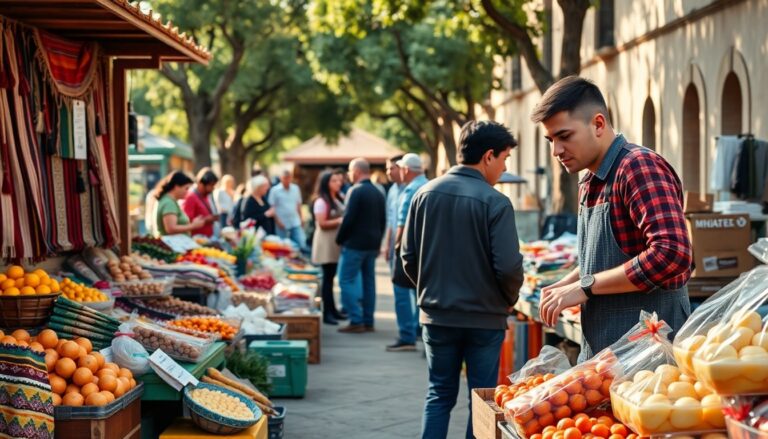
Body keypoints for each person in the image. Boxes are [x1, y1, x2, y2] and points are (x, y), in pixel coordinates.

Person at [532, 76, 692, 361]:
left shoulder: (638, 167)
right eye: (551, 140)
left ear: (598, 124)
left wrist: (585, 285)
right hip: (605, 357)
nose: (556, 151)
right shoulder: (589, 181)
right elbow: (605, 258)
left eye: (564, 136)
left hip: (650, 362)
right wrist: (568, 283)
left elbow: (672, 254)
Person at [401, 120, 524, 439]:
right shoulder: (496, 201)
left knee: (438, 394)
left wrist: (430, 289)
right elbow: (509, 268)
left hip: (437, 315)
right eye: (505, 158)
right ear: (488, 156)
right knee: (481, 400)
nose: (504, 166)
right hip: (484, 319)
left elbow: (407, 258)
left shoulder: (424, 194)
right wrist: (506, 301)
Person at [335, 158, 386, 333]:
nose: (349, 174)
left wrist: (339, 239)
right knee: (368, 283)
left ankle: (356, 320)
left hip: (355, 244)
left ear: (356, 171)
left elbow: (348, 219)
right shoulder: (378, 192)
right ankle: (368, 320)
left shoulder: (355, 191)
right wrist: (379, 242)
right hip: (372, 244)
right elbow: (382, 221)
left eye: (350, 171)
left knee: (345, 280)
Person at [387, 153, 428, 352]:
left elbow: (401, 226)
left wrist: (395, 250)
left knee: (402, 292)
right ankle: (418, 330)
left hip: (408, 250)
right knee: (419, 292)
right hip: (425, 250)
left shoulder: (410, 189)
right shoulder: (429, 185)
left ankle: (406, 336)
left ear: (406, 170)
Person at [311, 170, 347, 325]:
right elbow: (322, 223)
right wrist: (340, 221)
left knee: (331, 278)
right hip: (326, 243)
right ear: (326, 183)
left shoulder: (338, 198)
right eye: (334, 181)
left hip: (335, 242)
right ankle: (327, 313)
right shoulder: (321, 201)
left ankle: (333, 310)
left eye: (338, 181)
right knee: (327, 279)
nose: (338, 183)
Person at [153, 171, 206, 236]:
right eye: (186, 188)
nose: (188, 192)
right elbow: (171, 229)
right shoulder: (168, 203)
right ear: (176, 186)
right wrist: (193, 226)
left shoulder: (169, 201)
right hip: (171, 244)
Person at [268, 170, 306, 249]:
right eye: (285, 178)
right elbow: (272, 207)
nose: (287, 180)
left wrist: (301, 218)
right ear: (281, 178)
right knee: (283, 245)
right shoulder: (275, 190)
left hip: (294, 221)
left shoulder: (295, 189)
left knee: (301, 242)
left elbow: (298, 204)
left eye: (289, 178)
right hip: (282, 222)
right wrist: (278, 221)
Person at [182, 167, 220, 237]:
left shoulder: (205, 196)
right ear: (201, 184)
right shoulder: (191, 197)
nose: (213, 188)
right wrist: (206, 220)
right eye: (211, 185)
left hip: (206, 238)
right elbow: (186, 222)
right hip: (196, 238)